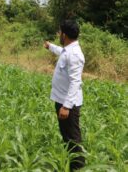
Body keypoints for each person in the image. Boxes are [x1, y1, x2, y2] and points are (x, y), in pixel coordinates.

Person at [44, 20, 85, 170]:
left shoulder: (74, 54)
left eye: (60, 32)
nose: (59, 35)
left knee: (73, 139)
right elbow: (61, 52)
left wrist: (66, 106)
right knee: (67, 137)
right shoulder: (68, 50)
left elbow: (75, 82)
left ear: (64, 35)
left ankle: (78, 167)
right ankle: (71, 164)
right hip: (61, 101)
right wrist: (50, 47)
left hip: (68, 104)